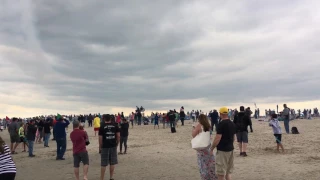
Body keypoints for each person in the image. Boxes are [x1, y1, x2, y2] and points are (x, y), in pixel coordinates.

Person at [210, 107, 236, 180]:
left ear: (220, 114)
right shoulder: (232, 123)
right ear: (227, 113)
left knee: (221, 174)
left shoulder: (221, 124)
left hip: (222, 150)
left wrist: (212, 148)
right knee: (228, 173)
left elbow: (218, 138)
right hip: (231, 149)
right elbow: (234, 138)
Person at [192, 114, 217, 180]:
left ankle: (205, 178)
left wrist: (194, 128)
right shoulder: (208, 126)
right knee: (210, 163)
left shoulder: (199, 125)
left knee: (203, 164)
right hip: (208, 146)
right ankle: (212, 177)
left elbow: (193, 135)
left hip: (201, 148)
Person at [99, 114, 120, 180]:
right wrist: (117, 144)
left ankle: (102, 178)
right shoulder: (115, 125)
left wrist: (100, 146)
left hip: (105, 146)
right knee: (112, 162)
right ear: (110, 119)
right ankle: (111, 177)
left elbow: (100, 138)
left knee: (104, 163)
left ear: (104, 119)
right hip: (113, 145)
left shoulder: (102, 126)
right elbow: (118, 136)